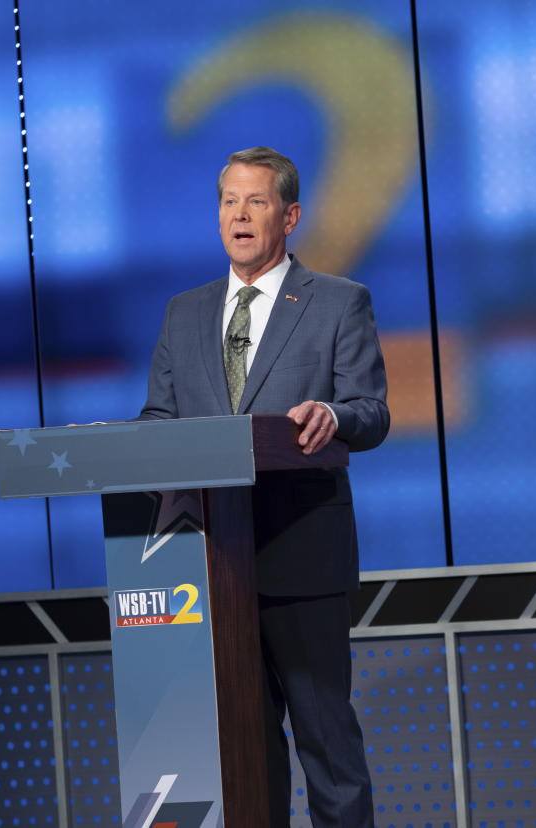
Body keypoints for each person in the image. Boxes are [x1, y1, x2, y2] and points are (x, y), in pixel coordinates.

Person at [138, 146, 389, 827]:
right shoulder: (183, 314)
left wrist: (331, 416)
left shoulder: (340, 302)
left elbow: (370, 412)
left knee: (325, 742)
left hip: (303, 553)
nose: (239, 215)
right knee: (242, 751)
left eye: (256, 201)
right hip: (211, 567)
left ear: (290, 215)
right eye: (229, 201)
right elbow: (158, 423)